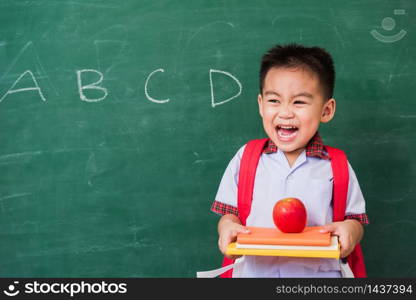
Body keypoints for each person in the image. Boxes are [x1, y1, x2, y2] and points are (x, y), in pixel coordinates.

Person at [211, 44, 369, 277]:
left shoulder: (336, 164)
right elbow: (229, 213)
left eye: (299, 102)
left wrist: (351, 231)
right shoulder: (246, 157)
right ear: (261, 105)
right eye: (274, 100)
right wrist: (227, 227)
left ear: (326, 110)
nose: (285, 112)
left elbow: (355, 219)